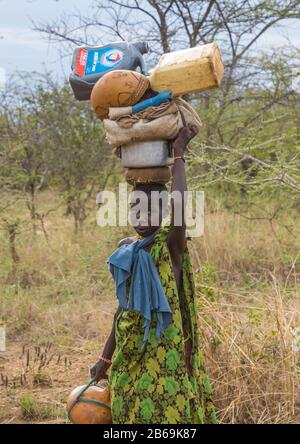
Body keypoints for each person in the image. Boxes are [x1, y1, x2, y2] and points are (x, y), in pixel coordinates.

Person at [90, 125, 217, 424]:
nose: (142, 217)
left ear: (164, 213)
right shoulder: (127, 249)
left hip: (164, 360)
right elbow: (123, 309)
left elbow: (182, 205)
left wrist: (179, 155)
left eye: (152, 210)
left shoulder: (171, 246)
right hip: (129, 357)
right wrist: (105, 358)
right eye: (135, 208)